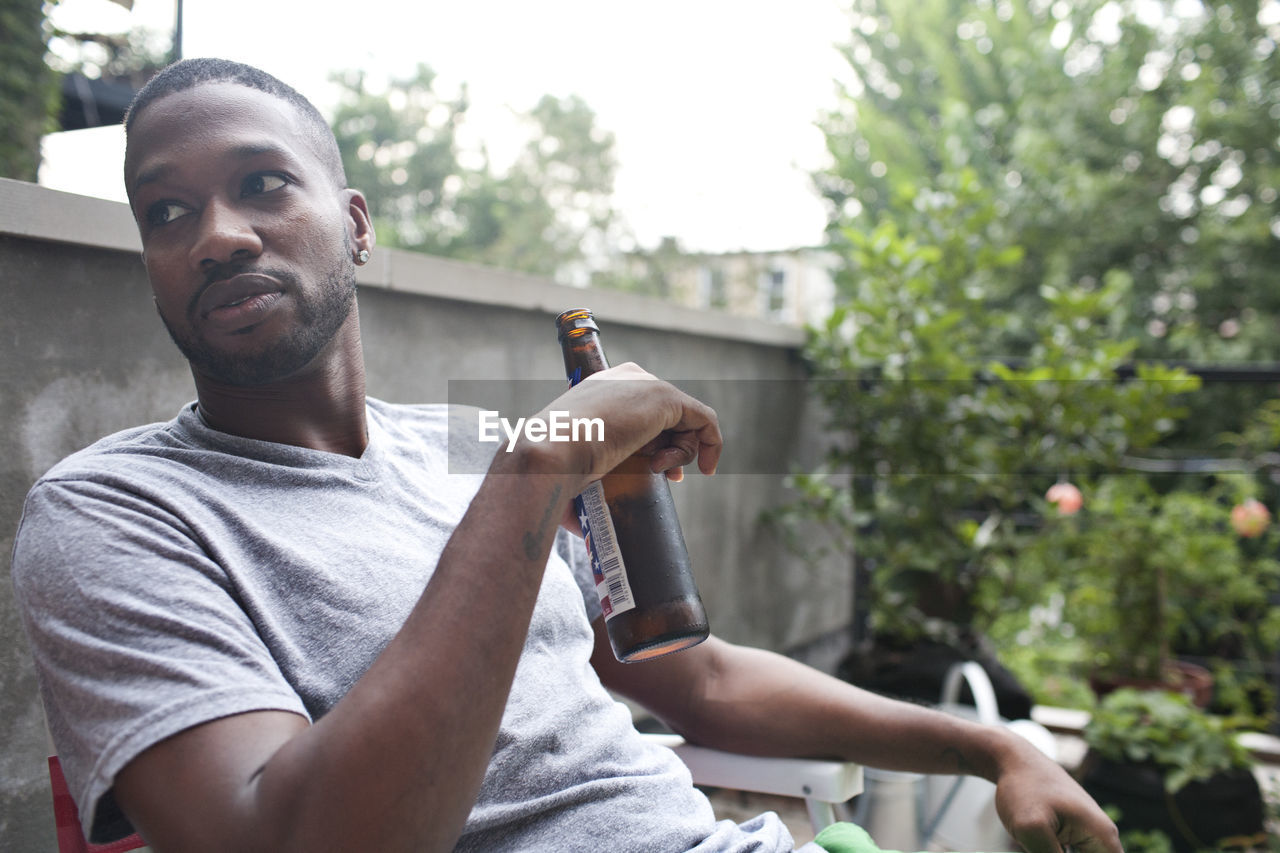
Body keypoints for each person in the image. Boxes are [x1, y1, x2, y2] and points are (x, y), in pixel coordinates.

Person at [12, 58, 1121, 853]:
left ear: (354, 224)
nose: (214, 234)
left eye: (261, 184)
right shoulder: (115, 513)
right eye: (165, 210)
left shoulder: (461, 449)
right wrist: (542, 467)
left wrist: (990, 749)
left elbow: (695, 675)